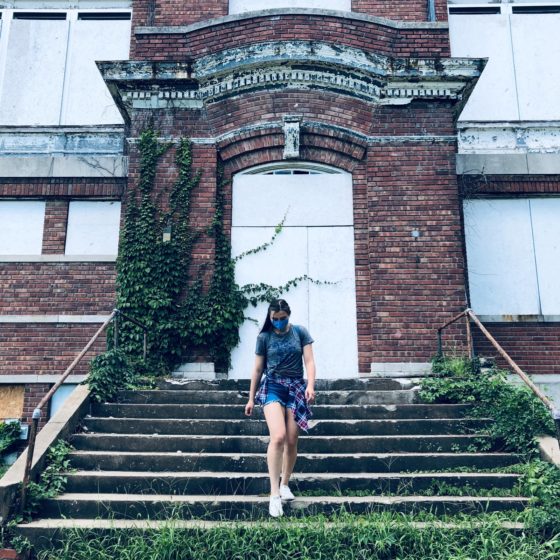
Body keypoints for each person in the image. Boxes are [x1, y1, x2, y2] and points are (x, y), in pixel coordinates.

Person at [244, 298, 316, 518]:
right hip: (273, 387)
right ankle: (274, 494)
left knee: (292, 440)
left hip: (295, 387)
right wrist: (250, 398)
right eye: (274, 319)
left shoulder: (300, 333)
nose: (278, 323)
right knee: (278, 437)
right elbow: (257, 370)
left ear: (289, 316)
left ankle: (285, 483)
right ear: (270, 317)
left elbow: (310, 362)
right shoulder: (264, 337)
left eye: (282, 319)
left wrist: (310, 385)